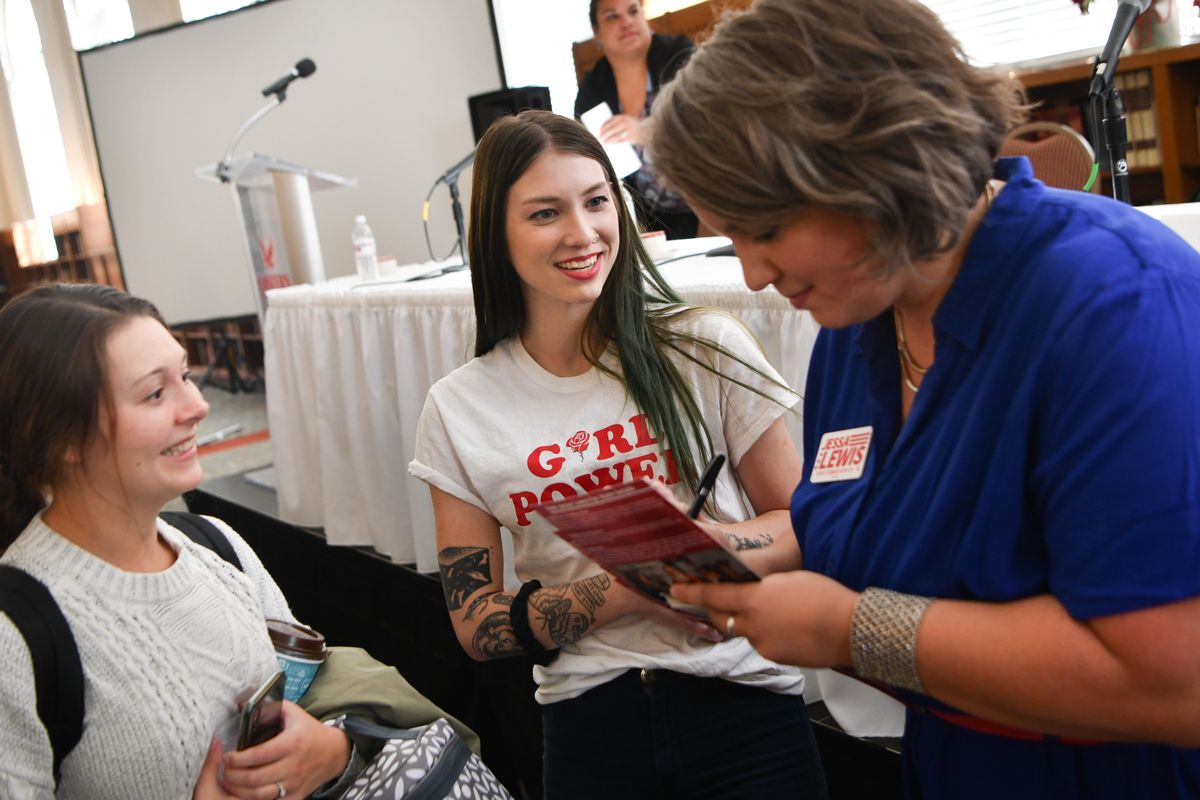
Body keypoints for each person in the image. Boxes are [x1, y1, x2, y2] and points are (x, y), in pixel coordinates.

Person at [645, 1, 1200, 798]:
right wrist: (733, 555)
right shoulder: (860, 311)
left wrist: (851, 630)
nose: (753, 276)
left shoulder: (1112, 305)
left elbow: (1172, 682)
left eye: (761, 230)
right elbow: (861, 509)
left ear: (870, 164)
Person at [409, 109, 827, 799]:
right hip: (589, 720)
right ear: (495, 236)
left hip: (741, 699)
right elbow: (474, 623)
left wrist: (701, 549)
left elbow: (804, 521)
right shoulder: (458, 406)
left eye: (597, 201)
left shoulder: (702, 346)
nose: (583, 233)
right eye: (545, 213)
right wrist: (619, 590)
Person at [0, 284, 357, 800]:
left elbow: (314, 698)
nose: (197, 406)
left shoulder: (217, 548)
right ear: (62, 437)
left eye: (186, 376)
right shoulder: (18, 635)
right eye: (155, 393)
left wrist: (331, 753)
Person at [574, 0, 699, 239]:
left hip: (707, 197)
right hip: (645, 223)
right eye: (612, 17)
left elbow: (711, 120)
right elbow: (586, 160)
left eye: (633, 11)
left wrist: (647, 129)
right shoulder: (593, 88)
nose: (626, 22)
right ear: (597, 34)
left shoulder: (679, 54)